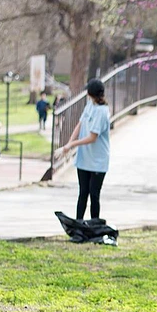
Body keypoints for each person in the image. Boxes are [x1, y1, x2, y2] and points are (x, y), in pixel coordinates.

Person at [59, 78, 112, 220]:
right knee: (83, 193)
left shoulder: (102, 112)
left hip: (97, 160)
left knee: (94, 194)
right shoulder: (90, 105)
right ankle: (79, 224)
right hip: (84, 158)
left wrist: (73, 144)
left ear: (90, 93)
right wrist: (68, 143)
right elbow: (80, 124)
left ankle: (95, 226)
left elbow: (92, 137)